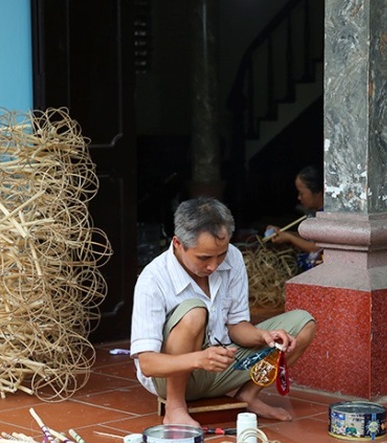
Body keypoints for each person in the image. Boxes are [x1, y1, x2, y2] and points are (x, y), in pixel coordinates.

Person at [130, 197, 317, 427]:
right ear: (178, 244)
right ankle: (175, 407)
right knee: (194, 311)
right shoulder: (153, 279)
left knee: (303, 324)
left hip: (222, 365)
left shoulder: (234, 258)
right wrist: (198, 359)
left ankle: (248, 396)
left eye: (221, 254)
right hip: (173, 378)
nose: (214, 266)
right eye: (204, 258)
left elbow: (237, 326)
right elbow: (148, 364)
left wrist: (263, 337)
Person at [266, 165, 325, 270]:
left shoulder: (327, 216)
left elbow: (316, 247)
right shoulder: (314, 214)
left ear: (318, 192)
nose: (298, 197)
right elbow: (309, 238)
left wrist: (289, 238)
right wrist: (283, 233)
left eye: (301, 193)